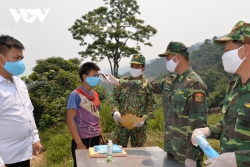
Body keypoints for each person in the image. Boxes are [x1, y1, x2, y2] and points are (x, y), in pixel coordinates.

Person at [106, 42, 209, 167]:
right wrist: (119, 82)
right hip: (171, 148)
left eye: (168, 58)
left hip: (185, 152)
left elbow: (198, 124)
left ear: (177, 57)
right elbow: (147, 86)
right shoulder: (170, 81)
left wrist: (192, 156)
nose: (167, 62)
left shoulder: (194, 84)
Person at [191, 21, 250, 167]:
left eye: (226, 51)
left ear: (246, 50)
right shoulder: (235, 87)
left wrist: (238, 160)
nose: (224, 56)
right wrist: (206, 131)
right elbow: (227, 124)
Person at [0, 35, 43, 167]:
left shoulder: (20, 84)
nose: (20, 63)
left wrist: (35, 139)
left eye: (21, 58)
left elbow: (28, 112)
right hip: (6, 158)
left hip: (23, 153)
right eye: (16, 58)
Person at [111, 54, 157, 147]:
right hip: (122, 124)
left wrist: (144, 118)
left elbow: (152, 105)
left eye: (137, 66)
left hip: (138, 126)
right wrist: (115, 111)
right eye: (132, 66)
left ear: (143, 68)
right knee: (117, 151)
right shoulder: (123, 82)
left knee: (138, 153)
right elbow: (114, 98)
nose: (134, 68)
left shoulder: (147, 85)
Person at [67, 62, 106, 167]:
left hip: (96, 137)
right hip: (83, 138)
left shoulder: (95, 94)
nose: (97, 78)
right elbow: (70, 120)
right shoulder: (75, 95)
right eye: (94, 75)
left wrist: (101, 134)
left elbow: (97, 115)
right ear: (85, 76)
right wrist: (79, 143)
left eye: (97, 76)